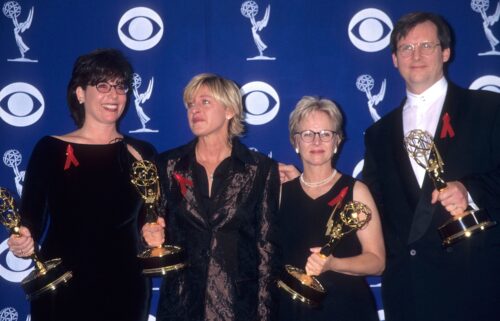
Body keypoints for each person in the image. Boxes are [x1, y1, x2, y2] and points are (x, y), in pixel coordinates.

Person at [362, 12, 500, 321]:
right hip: (409, 291)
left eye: (426, 45)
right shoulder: (378, 135)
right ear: (395, 59)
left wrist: (470, 189)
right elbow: (370, 206)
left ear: (446, 52)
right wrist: (309, 182)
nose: (416, 55)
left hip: (478, 286)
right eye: (406, 48)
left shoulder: (489, 109)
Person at [7, 48, 156, 321]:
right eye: (102, 85)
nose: (113, 95)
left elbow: (152, 219)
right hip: (63, 285)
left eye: (120, 86)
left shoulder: (142, 152)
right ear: (79, 93)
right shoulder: (50, 149)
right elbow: (30, 219)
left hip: (126, 287)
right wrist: (22, 239)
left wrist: (157, 231)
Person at [143, 73, 280, 321]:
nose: (195, 109)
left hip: (238, 307)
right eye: (190, 104)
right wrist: (149, 235)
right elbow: (151, 228)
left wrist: (264, 315)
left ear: (229, 110)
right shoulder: (167, 165)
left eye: (205, 102)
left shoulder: (260, 169)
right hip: (181, 305)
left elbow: (266, 251)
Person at [277, 96, 384, 321]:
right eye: (307, 134)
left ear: (337, 142)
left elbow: (377, 262)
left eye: (325, 134)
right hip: (290, 311)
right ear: (295, 142)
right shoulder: (279, 193)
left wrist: (334, 263)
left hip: (346, 310)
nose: (317, 142)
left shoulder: (357, 191)